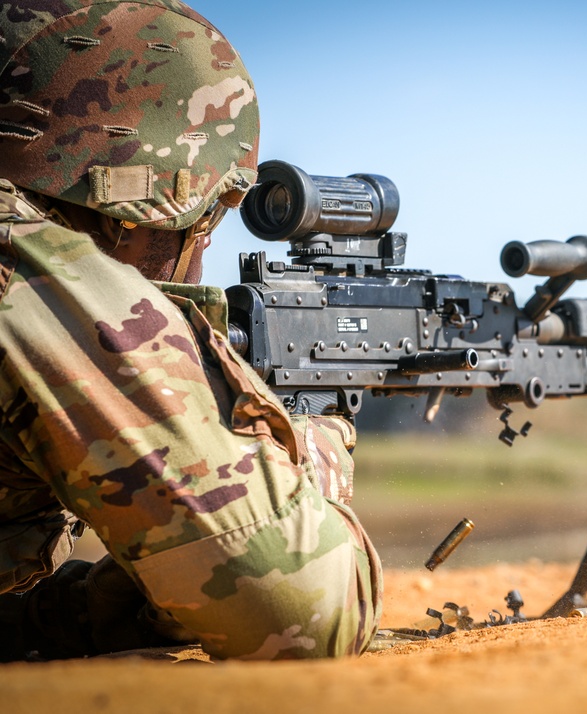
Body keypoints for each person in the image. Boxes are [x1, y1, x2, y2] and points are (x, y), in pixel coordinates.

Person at [0, 0, 381, 660]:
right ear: (134, 208)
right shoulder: (26, 264)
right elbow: (301, 611)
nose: (201, 261)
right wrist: (306, 460)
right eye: (203, 224)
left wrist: (95, 614)